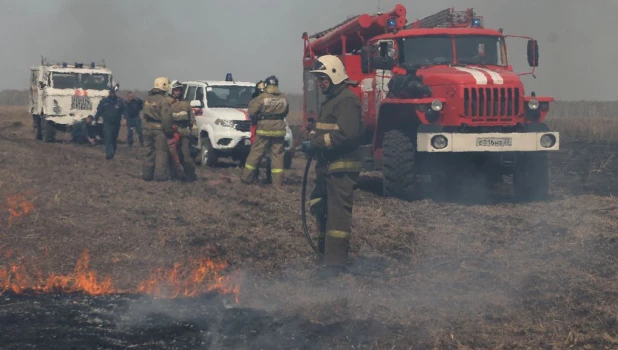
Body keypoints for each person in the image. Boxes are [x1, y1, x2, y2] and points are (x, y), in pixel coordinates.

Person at [301, 54, 364, 276]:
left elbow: (348, 135)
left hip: (341, 169)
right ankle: (324, 257)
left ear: (335, 75)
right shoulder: (331, 100)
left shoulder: (347, 100)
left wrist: (316, 143)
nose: (320, 83)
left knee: (337, 216)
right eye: (318, 78)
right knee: (320, 209)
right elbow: (324, 130)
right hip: (326, 167)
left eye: (323, 78)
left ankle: (335, 265)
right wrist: (310, 139)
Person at [240, 75, 289, 187]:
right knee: (277, 156)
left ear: (266, 85)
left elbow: (251, 112)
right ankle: (277, 182)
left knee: (256, 153)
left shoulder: (261, 98)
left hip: (263, 130)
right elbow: (286, 112)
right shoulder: (284, 98)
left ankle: (247, 178)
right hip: (279, 130)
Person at [142, 77, 174, 181]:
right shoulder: (163, 100)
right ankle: (160, 176)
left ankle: (147, 175)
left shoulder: (148, 99)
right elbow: (166, 118)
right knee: (161, 152)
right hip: (159, 130)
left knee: (148, 151)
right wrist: (169, 132)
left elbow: (144, 115)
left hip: (147, 129)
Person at [167, 80, 197, 181]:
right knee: (173, 155)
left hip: (185, 132)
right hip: (173, 132)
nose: (178, 92)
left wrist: (194, 129)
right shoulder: (167, 102)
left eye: (179, 90)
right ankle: (173, 175)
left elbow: (191, 117)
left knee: (186, 154)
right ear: (171, 91)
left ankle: (190, 175)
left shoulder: (186, 102)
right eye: (176, 90)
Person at [248, 80, 272, 184]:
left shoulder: (269, 99)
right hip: (256, 127)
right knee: (256, 153)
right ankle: (254, 176)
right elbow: (251, 114)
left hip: (266, 129)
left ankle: (268, 177)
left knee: (268, 155)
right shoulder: (255, 100)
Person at [95, 86, 125, 160]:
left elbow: (124, 111)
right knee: (108, 138)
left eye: (113, 92)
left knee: (113, 138)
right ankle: (109, 154)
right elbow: (99, 110)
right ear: (109, 92)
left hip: (116, 123)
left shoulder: (120, 101)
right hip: (107, 122)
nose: (112, 94)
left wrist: (125, 119)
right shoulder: (104, 101)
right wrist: (96, 118)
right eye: (110, 92)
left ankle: (112, 152)